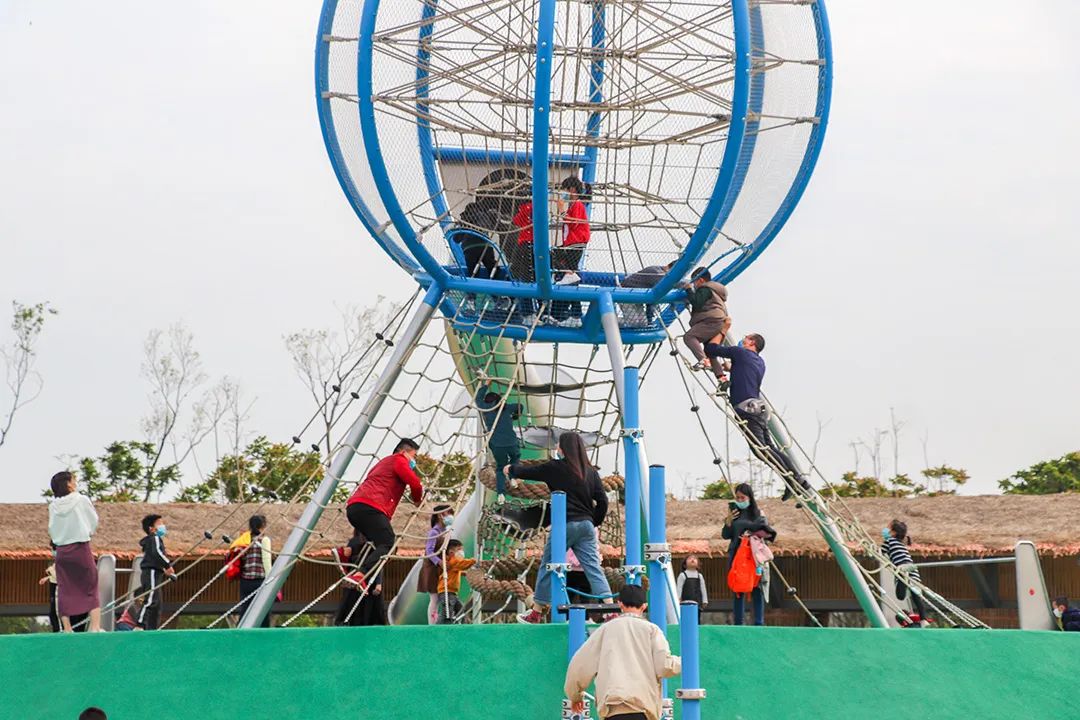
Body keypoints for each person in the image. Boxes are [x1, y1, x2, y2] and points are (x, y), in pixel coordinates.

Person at [511, 432, 611, 624]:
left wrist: (510, 470)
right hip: (586, 526)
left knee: (548, 565)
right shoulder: (590, 471)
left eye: (558, 446)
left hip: (565, 524)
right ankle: (610, 608)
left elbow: (529, 472)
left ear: (562, 449)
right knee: (593, 568)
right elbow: (603, 500)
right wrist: (593, 521)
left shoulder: (555, 468)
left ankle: (536, 612)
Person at [704, 333, 810, 501]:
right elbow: (740, 371)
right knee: (769, 448)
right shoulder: (759, 361)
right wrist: (729, 367)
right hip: (757, 407)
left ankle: (795, 479)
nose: (742, 340)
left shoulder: (741, 353)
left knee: (761, 449)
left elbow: (711, 349)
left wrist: (722, 331)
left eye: (746, 338)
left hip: (747, 407)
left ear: (752, 342)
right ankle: (796, 478)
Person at [564, 584, 681, 720]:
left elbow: (580, 665)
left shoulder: (605, 630)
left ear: (620, 604)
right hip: (642, 708)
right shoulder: (652, 630)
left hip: (613, 708)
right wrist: (684, 662)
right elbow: (664, 666)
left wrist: (575, 695)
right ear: (644, 606)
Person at [345, 437, 424, 589]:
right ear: (403, 452)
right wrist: (417, 500)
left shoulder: (381, 463)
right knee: (388, 542)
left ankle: (345, 553)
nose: (414, 462)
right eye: (413, 457)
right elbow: (415, 483)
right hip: (371, 506)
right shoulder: (399, 459)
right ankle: (360, 574)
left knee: (374, 544)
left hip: (354, 507)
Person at [47, 471, 102, 632]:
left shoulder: (53, 506)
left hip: (62, 551)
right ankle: (95, 626)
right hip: (80, 547)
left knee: (64, 587)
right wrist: (88, 531)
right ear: (68, 484)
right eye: (74, 480)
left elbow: (52, 528)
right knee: (91, 584)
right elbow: (93, 521)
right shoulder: (81, 500)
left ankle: (67, 627)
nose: (76, 482)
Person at [722, 483, 775, 626]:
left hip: (754, 556)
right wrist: (728, 521)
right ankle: (738, 622)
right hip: (736, 555)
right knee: (738, 587)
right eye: (737, 498)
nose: (740, 501)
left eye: (742, 497)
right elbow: (726, 535)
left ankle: (759, 622)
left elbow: (767, 533)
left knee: (756, 587)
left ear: (749, 497)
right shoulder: (734, 515)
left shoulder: (758, 514)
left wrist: (750, 533)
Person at [475, 382, 524, 501]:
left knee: (501, 467)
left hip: (497, 444)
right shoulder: (505, 407)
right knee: (515, 459)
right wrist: (516, 416)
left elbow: (477, 399)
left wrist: (485, 384)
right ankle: (513, 478)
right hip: (511, 442)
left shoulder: (486, 409)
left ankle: (501, 494)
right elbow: (520, 406)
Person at [682, 267, 731, 383]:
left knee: (689, 337)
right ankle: (721, 378)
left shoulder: (705, 289)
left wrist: (689, 290)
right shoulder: (717, 292)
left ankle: (703, 360)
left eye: (694, 281)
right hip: (718, 321)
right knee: (710, 350)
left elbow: (697, 302)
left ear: (701, 280)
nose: (693, 285)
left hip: (710, 320)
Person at [881, 519, 930, 627]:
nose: (885, 530)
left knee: (900, 596)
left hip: (901, 568)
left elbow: (880, 553)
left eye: (887, 528)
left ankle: (904, 577)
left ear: (893, 532)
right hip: (912, 569)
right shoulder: (902, 544)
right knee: (916, 596)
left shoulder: (889, 541)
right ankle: (924, 619)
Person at [333, 529, 386, 626]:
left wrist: (378, 582)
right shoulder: (360, 542)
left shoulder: (355, 542)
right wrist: (379, 583)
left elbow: (378, 564)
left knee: (356, 607)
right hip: (362, 579)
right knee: (365, 609)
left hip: (361, 579)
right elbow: (378, 564)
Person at [137, 513, 175, 630]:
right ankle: (140, 623)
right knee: (151, 599)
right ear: (151, 529)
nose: (163, 526)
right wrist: (167, 565)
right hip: (152, 572)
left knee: (157, 603)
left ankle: (152, 627)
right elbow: (157, 553)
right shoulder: (155, 538)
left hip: (155, 572)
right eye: (159, 524)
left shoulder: (152, 540)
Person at [551, 176, 592, 283]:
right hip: (572, 241)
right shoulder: (573, 205)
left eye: (565, 189)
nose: (564, 193)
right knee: (556, 255)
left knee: (555, 255)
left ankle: (570, 275)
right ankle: (568, 275)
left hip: (576, 241)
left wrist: (561, 210)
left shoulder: (578, 204)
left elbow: (574, 223)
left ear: (572, 189)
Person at [418, 504, 454, 625]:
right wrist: (439, 562)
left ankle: (437, 622)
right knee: (434, 598)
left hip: (440, 568)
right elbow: (429, 551)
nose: (451, 516)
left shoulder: (446, 531)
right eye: (448, 513)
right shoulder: (434, 532)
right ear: (440, 515)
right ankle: (431, 625)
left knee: (439, 598)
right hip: (432, 568)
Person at [236, 514, 272, 628]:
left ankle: (240, 632)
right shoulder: (264, 540)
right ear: (262, 526)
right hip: (259, 580)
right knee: (263, 609)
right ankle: (264, 635)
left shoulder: (244, 540)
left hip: (245, 580)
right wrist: (270, 578)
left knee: (245, 608)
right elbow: (266, 561)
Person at [619, 261, 674, 326]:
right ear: (668, 267)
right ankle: (611, 322)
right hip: (626, 293)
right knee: (633, 322)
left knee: (643, 322)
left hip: (638, 296)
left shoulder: (659, 272)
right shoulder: (655, 272)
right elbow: (663, 283)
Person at [435, 539, 477, 624]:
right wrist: (474, 560)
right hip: (447, 592)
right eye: (459, 550)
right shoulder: (454, 561)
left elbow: (454, 571)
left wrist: (464, 573)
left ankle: (461, 626)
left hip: (451, 592)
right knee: (446, 613)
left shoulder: (451, 562)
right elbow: (463, 564)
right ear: (451, 552)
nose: (461, 552)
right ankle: (439, 629)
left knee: (460, 610)